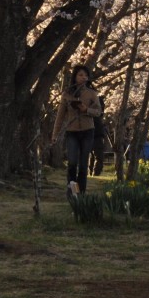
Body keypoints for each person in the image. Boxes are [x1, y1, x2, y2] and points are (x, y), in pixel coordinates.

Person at [56, 65, 102, 198]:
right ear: (75, 77)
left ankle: (81, 193)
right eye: (80, 75)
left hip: (88, 131)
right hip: (72, 132)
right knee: (72, 163)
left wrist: (86, 110)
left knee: (83, 164)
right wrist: (55, 134)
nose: (83, 77)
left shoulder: (92, 93)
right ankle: (73, 191)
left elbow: (98, 112)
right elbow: (60, 116)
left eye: (85, 75)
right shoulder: (67, 94)